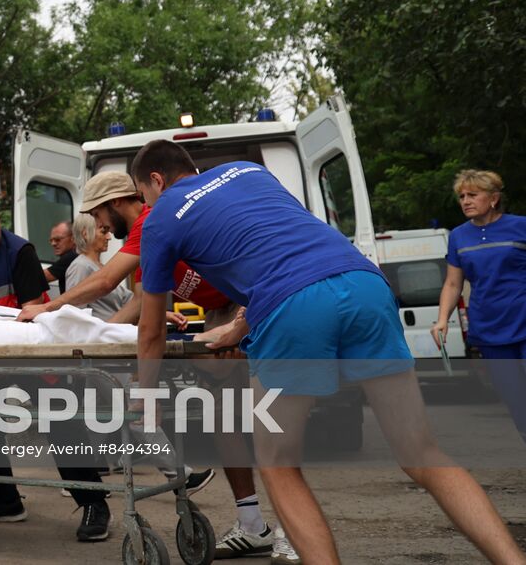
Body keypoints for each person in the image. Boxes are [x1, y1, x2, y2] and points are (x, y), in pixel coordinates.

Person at [131, 139, 525, 565]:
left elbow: (151, 331)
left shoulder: (161, 218)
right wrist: (238, 326)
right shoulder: (250, 173)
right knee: (422, 454)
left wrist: (146, 399)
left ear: (156, 179)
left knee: (278, 463)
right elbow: (288, 249)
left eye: (142, 194)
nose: (145, 203)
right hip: (364, 284)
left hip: (294, 307)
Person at [20, 172, 286, 561]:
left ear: (114, 202)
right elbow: (140, 303)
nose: (100, 225)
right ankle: (251, 524)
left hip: (248, 297)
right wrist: (99, 334)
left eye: (98, 213)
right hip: (220, 307)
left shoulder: (151, 222)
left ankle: (284, 526)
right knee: (223, 414)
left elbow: (108, 282)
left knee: (268, 416)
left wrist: (48, 307)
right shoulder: (142, 241)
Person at [0, 195, 112, 543]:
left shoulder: (19, 252)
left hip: (28, 352)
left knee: (58, 420)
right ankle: (4, 499)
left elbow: (34, 313)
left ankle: (93, 502)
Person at [432, 169, 526, 443]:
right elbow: (452, 284)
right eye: (462, 196)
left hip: (523, 317)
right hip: (489, 327)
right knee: (514, 397)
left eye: (473, 195)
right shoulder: (459, 236)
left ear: (494, 199)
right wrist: (441, 320)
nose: (465, 201)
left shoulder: (520, 226)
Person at [64, 213, 126, 318]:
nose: (109, 237)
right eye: (104, 232)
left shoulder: (102, 267)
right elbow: (76, 311)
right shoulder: (80, 266)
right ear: (85, 234)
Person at [45, 219, 80, 291]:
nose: (53, 244)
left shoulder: (71, 257)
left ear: (73, 238)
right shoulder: (77, 255)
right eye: (51, 240)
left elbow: (41, 278)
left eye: (58, 239)